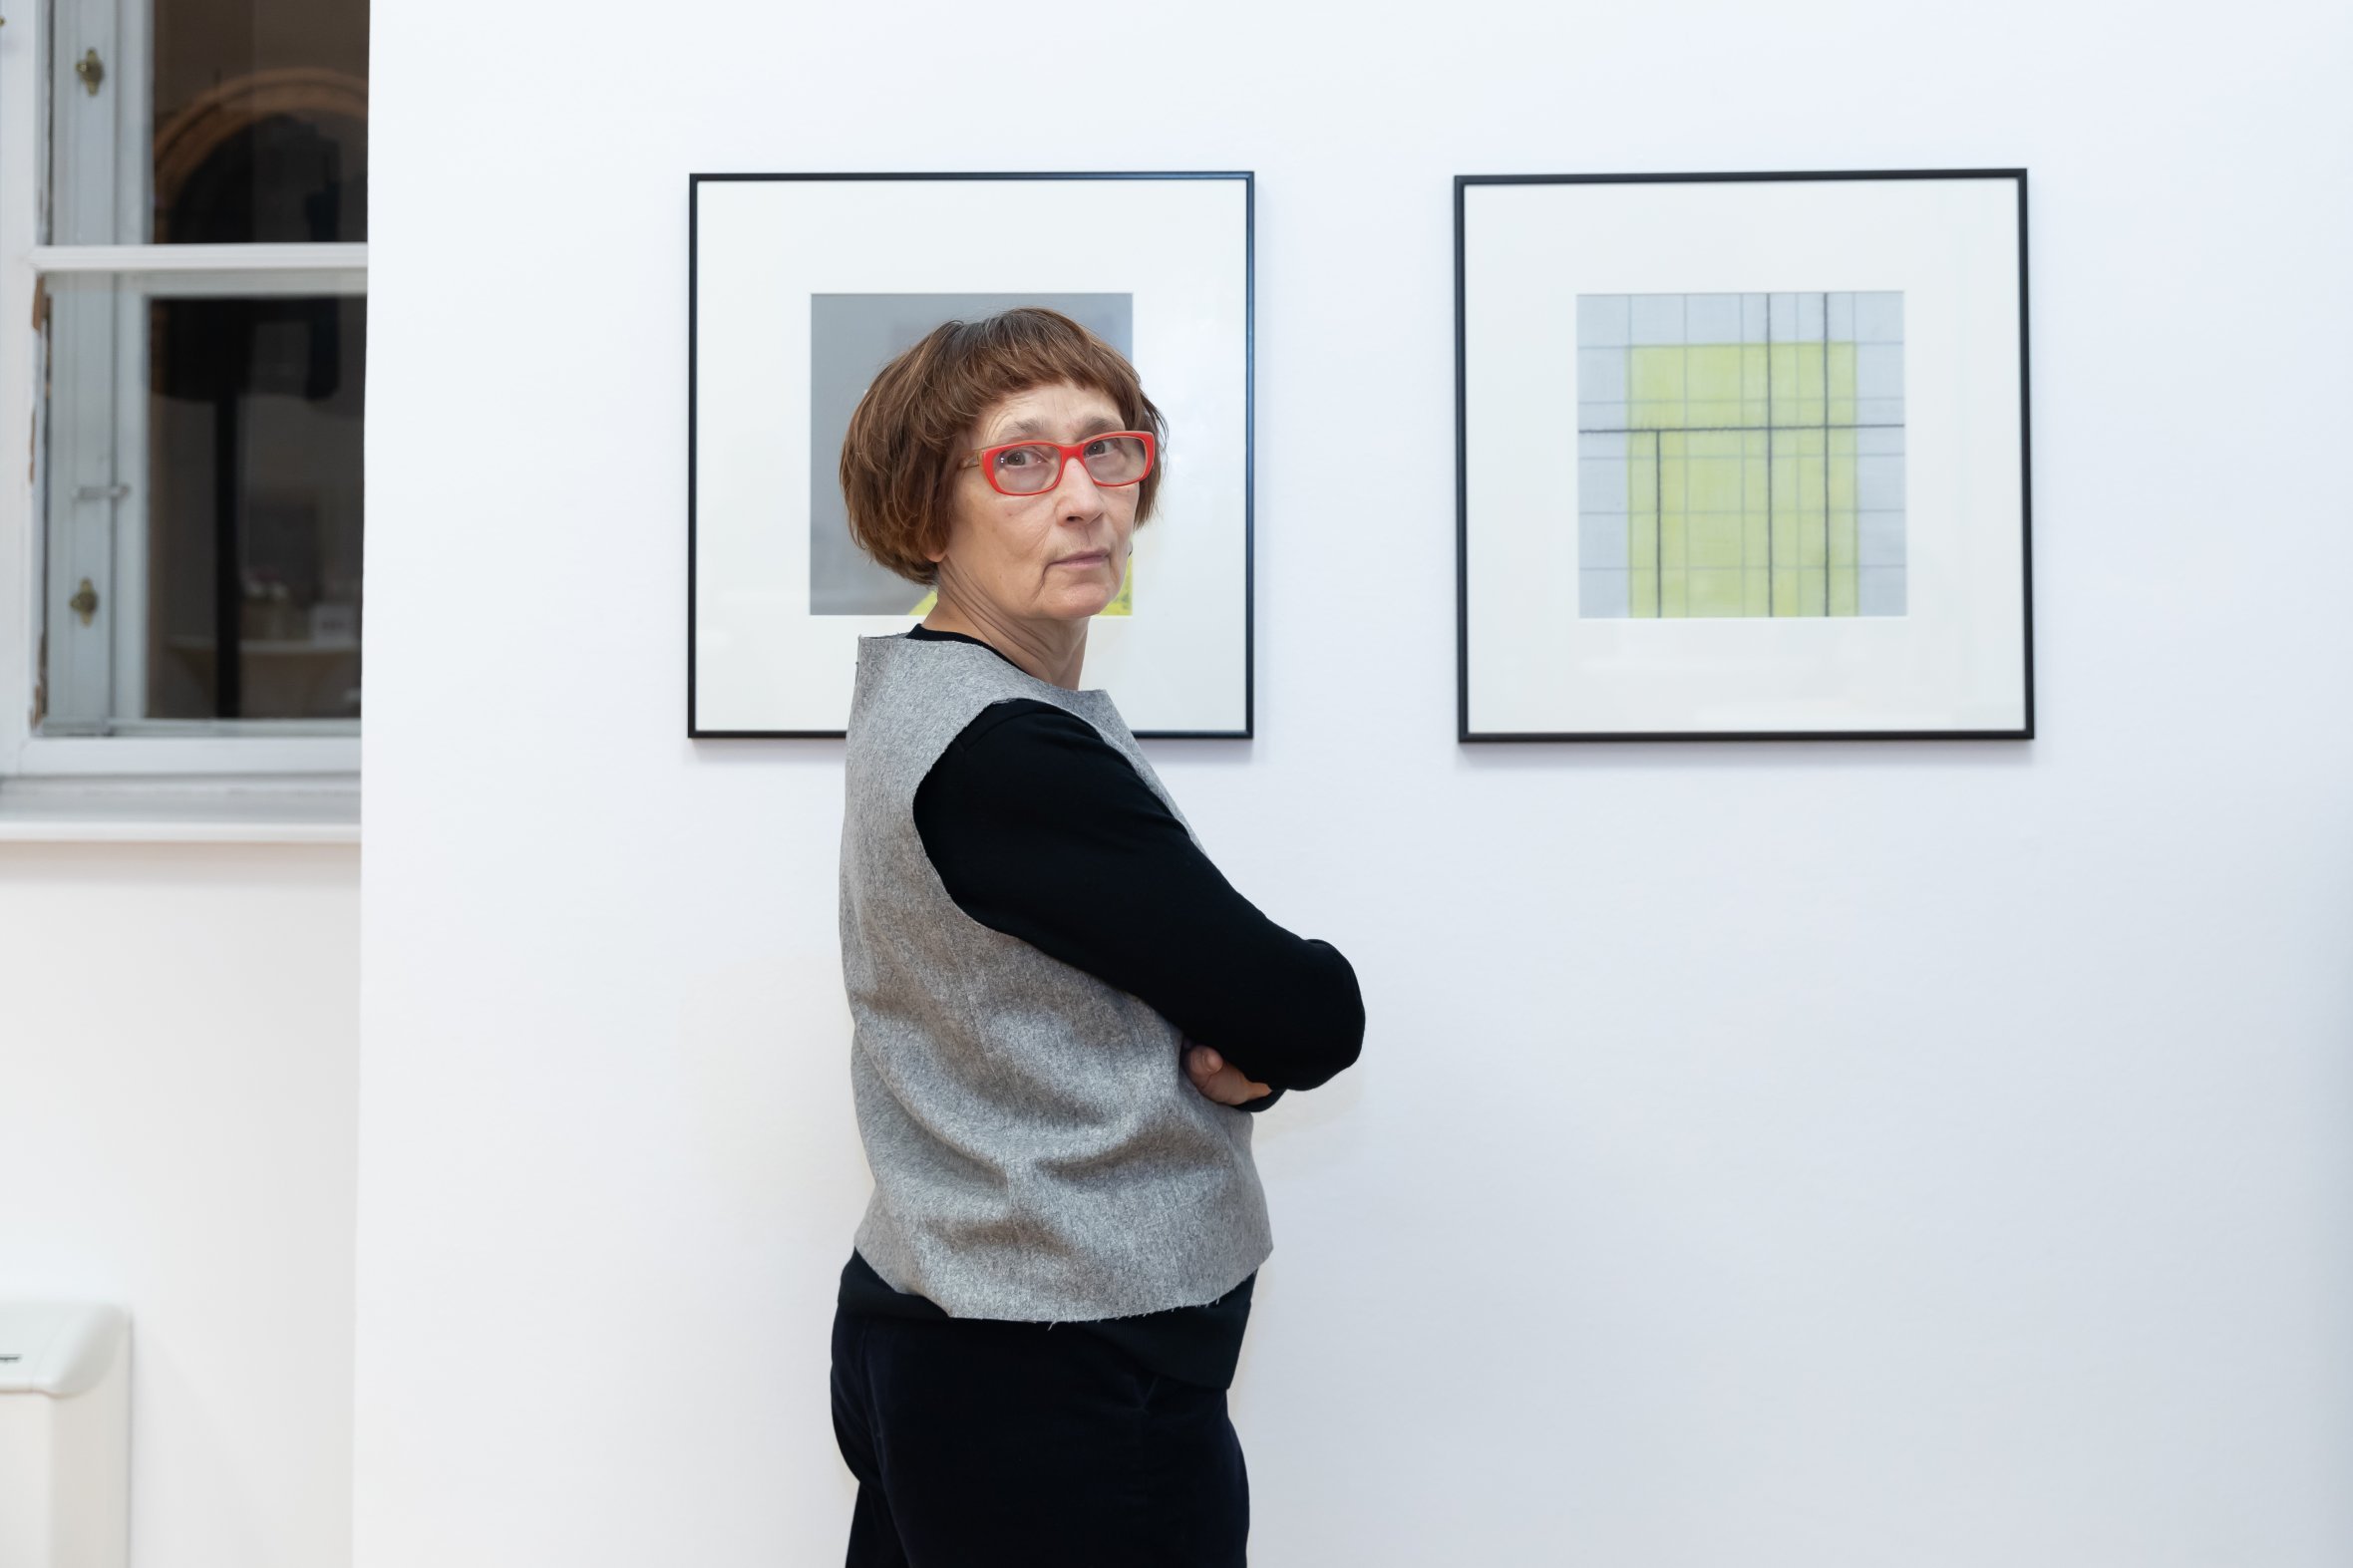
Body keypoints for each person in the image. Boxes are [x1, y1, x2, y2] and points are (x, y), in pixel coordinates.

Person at [828, 306, 1366, 1567]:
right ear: (927, 511)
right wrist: (1252, 1042)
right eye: (1022, 460)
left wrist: (1239, 1038)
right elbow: (1307, 1010)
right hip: (1051, 1373)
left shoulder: (936, 694)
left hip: (956, 1328)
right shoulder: (1008, 751)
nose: (1083, 500)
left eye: (1106, 449)